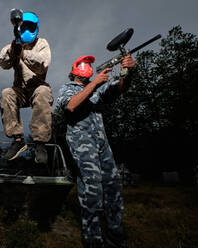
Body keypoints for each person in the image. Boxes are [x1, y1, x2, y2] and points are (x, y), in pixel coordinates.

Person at [53, 55, 135, 248]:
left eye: (89, 64)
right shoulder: (67, 88)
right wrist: (95, 83)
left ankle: (115, 233)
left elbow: (121, 88)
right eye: (82, 64)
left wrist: (127, 72)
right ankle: (93, 239)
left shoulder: (98, 88)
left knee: (113, 185)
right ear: (74, 70)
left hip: (102, 143)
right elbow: (71, 106)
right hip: (82, 142)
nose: (86, 67)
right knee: (92, 186)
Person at [0, 11, 53, 164]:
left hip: (37, 87)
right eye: (24, 26)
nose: (27, 30)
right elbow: (3, 64)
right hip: (20, 90)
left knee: (43, 92)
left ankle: (40, 143)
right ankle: (17, 140)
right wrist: (12, 51)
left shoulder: (42, 43)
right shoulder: (14, 43)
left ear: (36, 28)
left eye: (30, 26)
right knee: (6, 93)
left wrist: (23, 54)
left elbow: (43, 65)